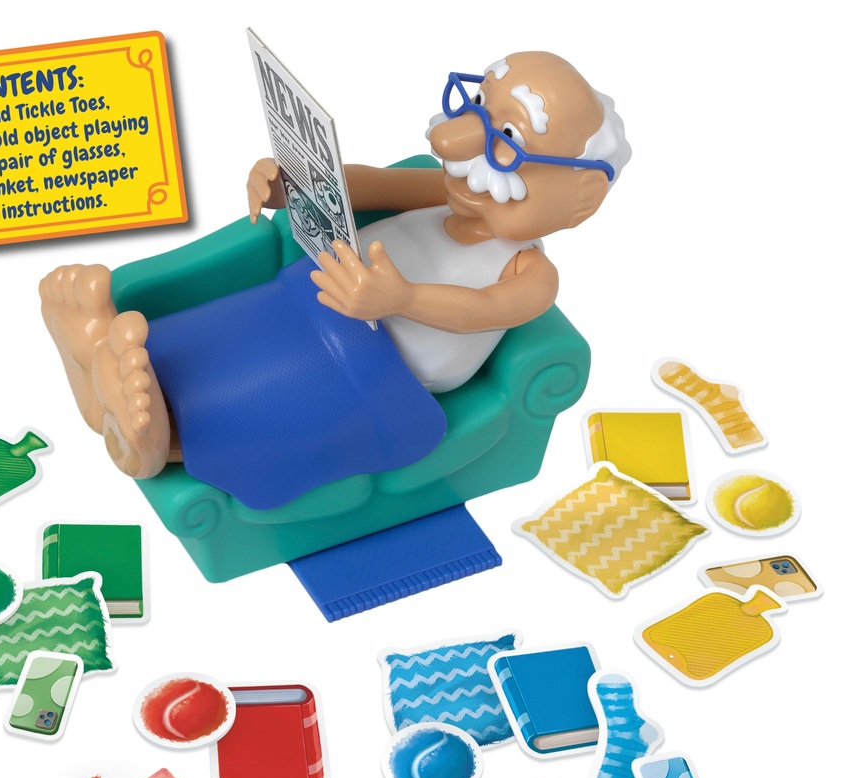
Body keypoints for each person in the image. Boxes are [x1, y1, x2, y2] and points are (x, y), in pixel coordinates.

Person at [41, 51, 629, 478]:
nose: (455, 142)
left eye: (508, 134)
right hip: (310, 294)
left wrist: (402, 299)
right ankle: (99, 372)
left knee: (261, 392)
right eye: (477, 105)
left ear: (577, 196)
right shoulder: (440, 192)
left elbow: (483, 309)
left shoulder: (530, 273)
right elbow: (367, 184)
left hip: (374, 369)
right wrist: (296, 182)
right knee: (221, 332)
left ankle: (154, 443)